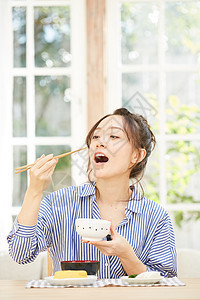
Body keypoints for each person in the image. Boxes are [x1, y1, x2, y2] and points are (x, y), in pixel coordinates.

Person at [7, 108, 177, 279]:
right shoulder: (58, 203)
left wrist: (126, 255)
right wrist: (35, 191)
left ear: (136, 155)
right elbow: (21, 253)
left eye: (114, 136)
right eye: (96, 136)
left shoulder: (156, 217)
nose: (99, 142)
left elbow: (166, 283)